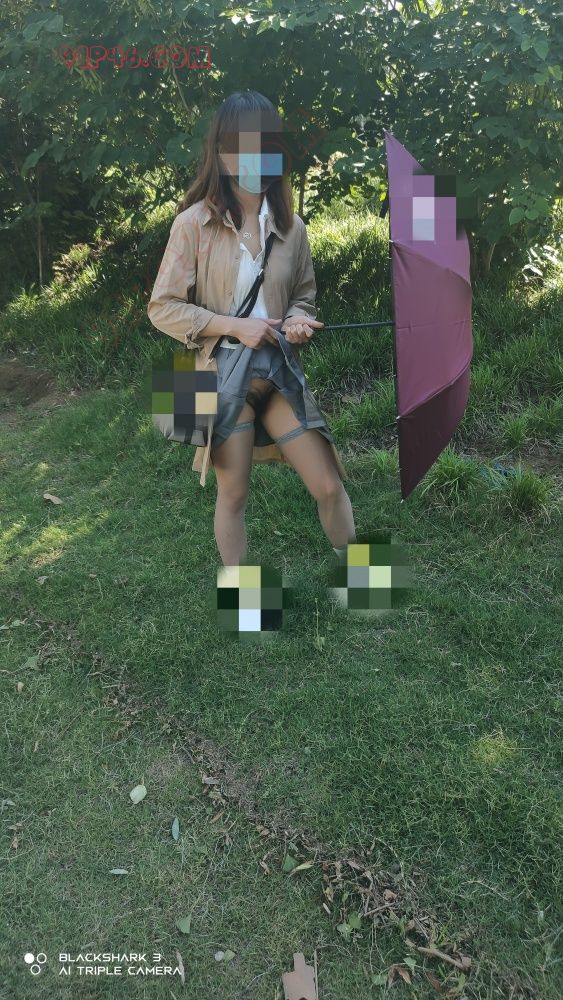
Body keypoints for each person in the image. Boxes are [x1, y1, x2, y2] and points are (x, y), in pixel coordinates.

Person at [148, 90, 356, 566]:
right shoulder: (193, 224)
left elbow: (302, 295)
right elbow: (162, 308)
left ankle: (364, 584)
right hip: (219, 374)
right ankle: (245, 599)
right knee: (234, 493)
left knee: (328, 483)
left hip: (277, 369)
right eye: (241, 148)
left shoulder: (292, 227)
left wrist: (299, 319)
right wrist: (235, 326)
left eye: (264, 146)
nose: (254, 160)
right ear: (221, 153)